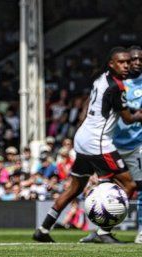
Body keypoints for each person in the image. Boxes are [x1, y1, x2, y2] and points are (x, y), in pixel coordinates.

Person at [33, 47, 142, 243]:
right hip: (98, 143)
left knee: (75, 187)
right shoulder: (116, 87)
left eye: (128, 62)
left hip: (83, 137)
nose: (126, 66)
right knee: (130, 184)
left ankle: (43, 228)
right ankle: (102, 232)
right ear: (111, 64)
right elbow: (127, 119)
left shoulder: (101, 78)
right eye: (122, 62)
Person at [80, 46, 142, 243]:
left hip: (136, 144)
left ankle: (140, 231)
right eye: (132, 59)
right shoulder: (116, 83)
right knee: (108, 188)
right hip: (111, 142)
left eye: (140, 59)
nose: (136, 63)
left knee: (138, 186)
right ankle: (102, 230)